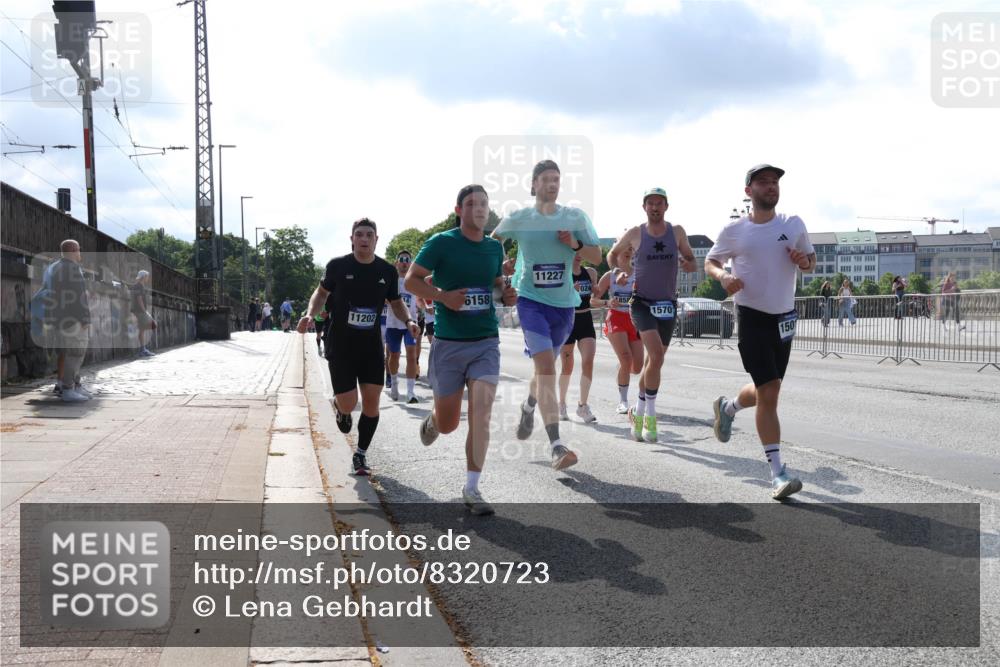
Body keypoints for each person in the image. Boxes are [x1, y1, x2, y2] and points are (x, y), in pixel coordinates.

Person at [706, 164, 816, 500]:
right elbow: (710, 262)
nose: (771, 187)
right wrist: (724, 276)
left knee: (768, 389)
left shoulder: (793, 224)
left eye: (775, 182)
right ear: (748, 191)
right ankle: (778, 474)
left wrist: (803, 261)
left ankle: (728, 408)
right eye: (763, 182)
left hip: (784, 318)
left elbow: (810, 262)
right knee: (769, 392)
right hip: (751, 315)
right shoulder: (735, 230)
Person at [405, 184, 517, 514]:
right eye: (471, 204)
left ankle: (472, 488)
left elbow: (495, 286)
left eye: (483, 203)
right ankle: (434, 421)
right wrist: (442, 296)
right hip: (449, 345)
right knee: (449, 423)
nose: (479, 208)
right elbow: (412, 280)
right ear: (459, 211)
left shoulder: (494, 248)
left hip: (485, 342)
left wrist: (506, 295)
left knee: (481, 415)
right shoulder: (441, 242)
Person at [492, 159, 602, 471]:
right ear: (533, 184)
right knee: (546, 369)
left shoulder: (574, 217)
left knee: (544, 372)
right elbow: (492, 242)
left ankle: (529, 406)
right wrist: (500, 268)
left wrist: (575, 243)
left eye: (556, 179)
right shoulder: (520, 218)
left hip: (564, 306)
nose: (552, 184)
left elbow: (597, 255)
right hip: (530, 302)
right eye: (546, 179)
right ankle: (556, 446)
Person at [297, 218, 419, 476]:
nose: (364, 239)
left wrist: (409, 320)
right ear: (352, 239)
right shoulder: (337, 266)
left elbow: (396, 302)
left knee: (372, 403)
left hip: (371, 346)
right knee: (349, 403)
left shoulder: (386, 271)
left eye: (369, 235)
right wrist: (309, 314)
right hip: (340, 345)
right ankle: (341, 409)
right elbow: (321, 293)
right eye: (359, 234)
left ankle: (360, 454)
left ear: (376, 239)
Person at [606, 187, 697, 443]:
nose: (655, 207)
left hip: (668, 303)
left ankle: (638, 410)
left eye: (659, 203)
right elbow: (612, 254)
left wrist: (688, 264)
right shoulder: (636, 233)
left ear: (666, 206)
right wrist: (619, 272)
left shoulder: (677, 232)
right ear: (644, 207)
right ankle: (650, 418)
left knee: (654, 363)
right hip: (642, 303)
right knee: (655, 355)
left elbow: (692, 261)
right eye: (650, 203)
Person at [593, 251, 643, 419]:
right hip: (616, 318)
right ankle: (623, 401)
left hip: (635, 319)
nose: (628, 252)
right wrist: (607, 302)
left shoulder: (639, 273)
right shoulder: (610, 276)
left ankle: (622, 368)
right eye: (624, 249)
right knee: (626, 358)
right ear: (617, 254)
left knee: (637, 367)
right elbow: (593, 300)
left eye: (631, 249)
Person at [557, 252, 599, 423]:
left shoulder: (591, 273)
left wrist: (596, 292)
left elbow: (594, 299)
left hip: (585, 319)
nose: (578, 255)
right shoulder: (562, 273)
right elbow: (555, 298)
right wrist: (569, 291)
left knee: (588, 362)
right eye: (574, 252)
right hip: (567, 320)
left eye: (581, 251)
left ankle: (583, 406)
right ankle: (561, 404)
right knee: (567, 366)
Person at [49, 239, 93, 403]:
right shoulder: (72, 268)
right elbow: (77, 297)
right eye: (79, 249)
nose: (80, 252)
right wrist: (85, 318)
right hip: (73, 320)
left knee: (69, 353)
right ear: (74, 250)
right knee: (75, 354)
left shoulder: (56, 267)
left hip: (61, 317)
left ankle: (74, 385)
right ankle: (69, 389)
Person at [384, 250, 421, 403]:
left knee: (412, 355)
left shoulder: (414, 281)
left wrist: (425, 305)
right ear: (397, 263)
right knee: (394, 355)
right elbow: (384, 298)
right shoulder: (391, 280)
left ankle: (411, 392)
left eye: (407, 260)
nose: (405, 263)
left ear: (410, 263)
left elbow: (421, 299)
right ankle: (394, 383)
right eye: (402, 259)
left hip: (411, 323)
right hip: (393, 323)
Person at [130, 270, 157, 357]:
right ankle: (143, 350)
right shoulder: (138, 286)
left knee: (142, 329)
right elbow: (139, 299)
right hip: (140, 311)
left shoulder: (139, 286)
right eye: (147, 276)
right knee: (152, 325)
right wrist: (144, 311)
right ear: (143, 277)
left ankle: (143, 349)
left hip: (138, 311)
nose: (148, 278)